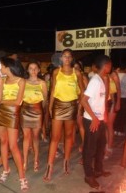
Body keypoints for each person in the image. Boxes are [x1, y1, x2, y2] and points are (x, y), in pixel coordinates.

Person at [44, 48, 84, 181]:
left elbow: (82, 92)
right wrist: (50, 107)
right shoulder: (56, 72)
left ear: (72, 59)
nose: (66, 58)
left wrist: (79, 108)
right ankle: (49, 166)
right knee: (55, 137)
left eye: (69, 56)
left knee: (68, 136)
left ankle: (66, 160)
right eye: (64, 56)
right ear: (61, 58)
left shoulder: (77, 73)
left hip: (71, 106)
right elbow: (53, 89)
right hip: (58, 105)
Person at [0, 57, 28, 190]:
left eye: (1, 66)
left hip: (13, 113)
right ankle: (6, 169)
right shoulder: (2, 80)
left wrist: (4, 101)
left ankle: (22, 177)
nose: (0, 68)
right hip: (1, 113)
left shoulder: (21, 81)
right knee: (3, 142)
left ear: (7, 67)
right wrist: (0, 83)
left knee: (13, 146)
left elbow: (18, 101)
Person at [81, 55, 112, 189]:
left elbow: (101, 102)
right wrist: (94, 118)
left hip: (99, 120)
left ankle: (98, 170)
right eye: (110, 65)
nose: (111, 67)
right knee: (90, 149)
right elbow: (83, 101)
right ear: (106, 66)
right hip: (91, 120)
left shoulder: (102, 79)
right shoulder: (95, 81)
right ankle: (88, 176)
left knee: (100, 146)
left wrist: (103, 116)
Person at [21, 60, 47, 172]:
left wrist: (40, 110)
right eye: (31, 68)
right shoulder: (23, 82)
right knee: (26, 137)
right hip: (25, 111)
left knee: (36, 137)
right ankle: (25, 161)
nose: (33, 70)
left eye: (35, 68)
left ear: (39, 70)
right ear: (27, 70)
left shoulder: (42, 83)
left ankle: (36, 160)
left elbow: (45, 100)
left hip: (37, 111)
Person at [105, 69, 121, 159]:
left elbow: (118, 88)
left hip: (113, 100)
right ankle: (106, 145)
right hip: (104, 101)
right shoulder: (102, 73)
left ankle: (109, 148)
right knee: (104, 125)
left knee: (109, 125)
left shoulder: (113, 74)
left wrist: (118, 102)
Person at [114, 66, 126, 136]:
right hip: (125, 97)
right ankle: (120, 130)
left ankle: (115, 129)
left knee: (118, 114)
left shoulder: (115, 75)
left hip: (117, 97)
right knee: (123, 115)